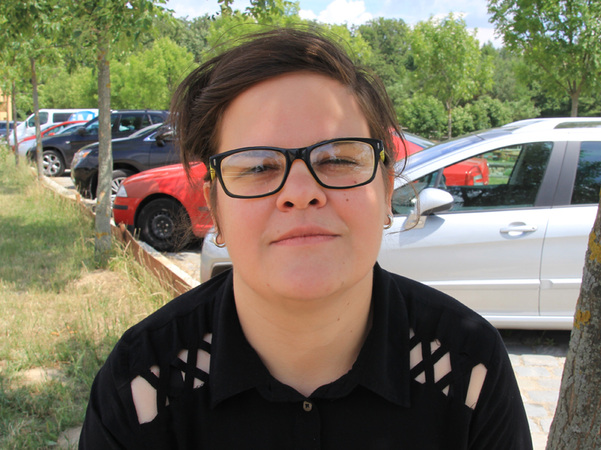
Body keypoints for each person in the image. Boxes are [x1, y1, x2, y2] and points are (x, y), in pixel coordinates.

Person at [79, 27, 532, 449]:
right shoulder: (139, 386)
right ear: (215, 207)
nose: (300, 192)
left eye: (338, 159)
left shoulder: (469, 370)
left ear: (386, 189)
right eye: (258, 166)